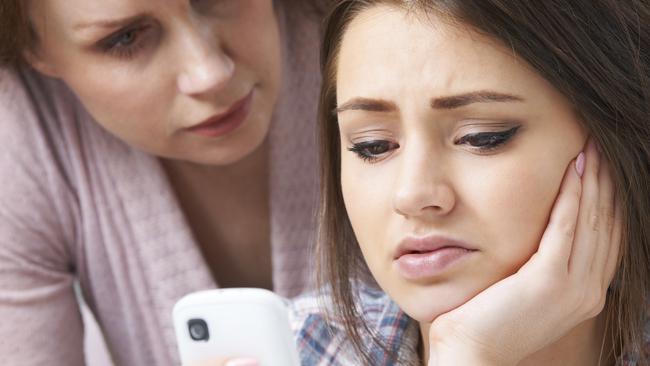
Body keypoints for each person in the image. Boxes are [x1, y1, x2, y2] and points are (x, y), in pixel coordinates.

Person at [292, 0, 650, 365]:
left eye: (481, 137)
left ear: (614, 141)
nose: (412, 194)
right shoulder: (291, 349)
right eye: (373, 146)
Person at [0, 1, 327, 365]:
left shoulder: (379, 27)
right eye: (125, 38)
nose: (209, 73)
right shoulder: (20, 137)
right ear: (31, 44)